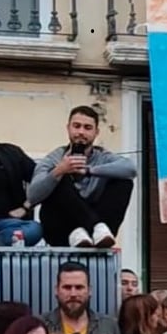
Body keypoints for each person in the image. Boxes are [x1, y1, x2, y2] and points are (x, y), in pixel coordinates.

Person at [27, 106, 137, 248]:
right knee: (58, 176)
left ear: (96, 132)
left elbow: (131, 169)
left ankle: (97, 230)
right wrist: (60, 170)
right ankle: (93, 227)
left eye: (87, 127)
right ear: (68, 128)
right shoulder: (53, 158)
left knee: (123, 182)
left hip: (97, 236)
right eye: (76, 126)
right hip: (62, 230)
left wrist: (89, 170)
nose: (81, 132)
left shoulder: (103, 156)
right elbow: (33, 196)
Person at [43, 261, 122, 334]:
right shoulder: (42, 325)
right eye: (67, 287)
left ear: (89, 290)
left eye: (79, 287)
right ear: (56, 290)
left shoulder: (108, 325)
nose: (73, 294)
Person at [0, 140, 42, 246]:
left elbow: (42, 181)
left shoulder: (11, 153)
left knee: (34, 229)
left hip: (8, 224)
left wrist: (26, 207)